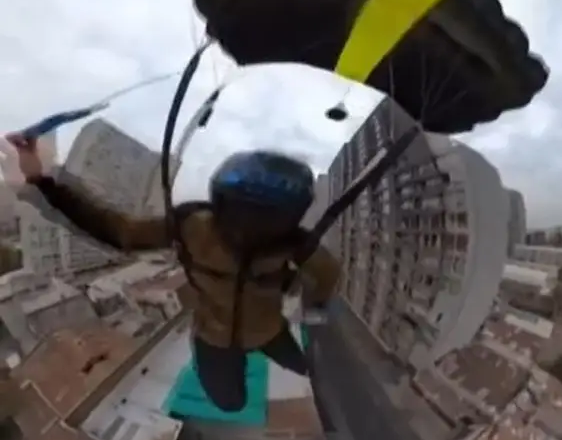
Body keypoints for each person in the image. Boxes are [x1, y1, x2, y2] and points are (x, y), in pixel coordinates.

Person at [2, 133, 341, 414]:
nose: (248, 232)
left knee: (304, 371)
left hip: (258, 331)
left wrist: (303, 294)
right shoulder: (197, 227)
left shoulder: (276, 241)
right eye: (243, 218)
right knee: (231, 402)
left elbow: (326, 275)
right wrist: (43, 182)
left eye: (263, 222)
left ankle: (298, 364)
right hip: (221, 336)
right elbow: (116, 230)